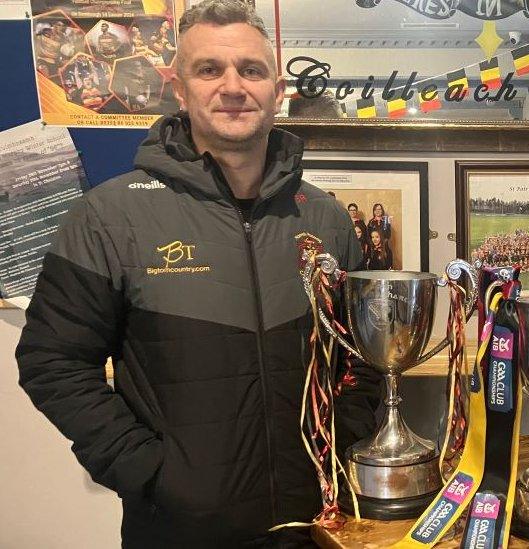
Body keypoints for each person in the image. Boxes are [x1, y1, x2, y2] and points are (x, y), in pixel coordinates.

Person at [16, 1, 380, 547]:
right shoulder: (111, 215)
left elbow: (361, 357)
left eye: (251, 70)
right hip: (175, 530)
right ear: (178, 89)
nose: (233, 86)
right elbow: (52, 361)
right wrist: (149, 473)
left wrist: (339, 445)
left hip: (317, 527)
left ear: (276, 90)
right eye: (209, 69)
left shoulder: (324, 217)